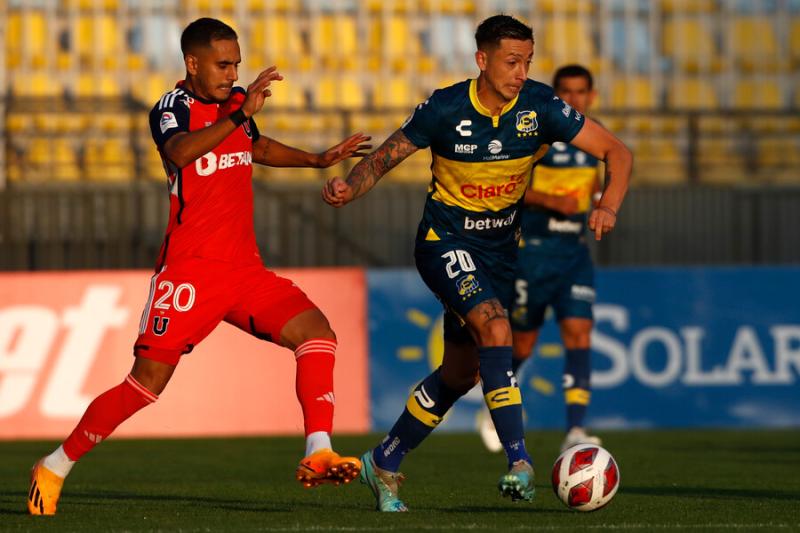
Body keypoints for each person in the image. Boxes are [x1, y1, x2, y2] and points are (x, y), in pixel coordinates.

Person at [27, 17, 371, 516]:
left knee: (317, 333)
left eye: (237, 64)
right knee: (144, 386)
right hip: (189, 273)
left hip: (245, 271)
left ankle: (318, 450)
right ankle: (55, 465)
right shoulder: (172, 108)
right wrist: (238, 114)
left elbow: (254, 145)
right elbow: (180, 151)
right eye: (223, 65)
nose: (233, 74)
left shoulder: (234, 109)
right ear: (193, 63)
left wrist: (317, 160)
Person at [323, 15, 631, 512]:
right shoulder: (445, 107)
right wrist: (348, 187)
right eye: (512, 62)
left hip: (500, 253)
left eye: (528, 62)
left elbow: (617, 152)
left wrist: (608, 206)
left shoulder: (540, 106)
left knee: (459, 374)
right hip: (443, 241)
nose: (521, 72)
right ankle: (519, 460)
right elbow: (382, 160)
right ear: (482, 60)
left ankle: (382, 462)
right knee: (495, 326)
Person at [478, 64, 606, 454]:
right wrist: (551, 200)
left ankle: (575, 429)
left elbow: (594, 185)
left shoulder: (593, 138)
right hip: (533, 252)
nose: (573, 99)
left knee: (579, 332)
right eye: (566, 91)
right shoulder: (537, 134)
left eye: (580, 92)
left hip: (574, 254)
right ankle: (494, 404)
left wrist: (600, 202)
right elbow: (508, 185)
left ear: (591, 96)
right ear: (556, 95)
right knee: (523, 345)